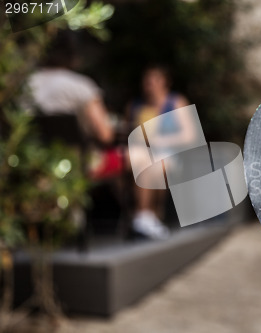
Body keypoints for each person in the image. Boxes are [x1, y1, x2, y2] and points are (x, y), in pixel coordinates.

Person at [128, 64, 196, 239]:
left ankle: (147, 215)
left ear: (165, 82)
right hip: (143, 153)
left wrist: (159, 140)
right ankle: (144, 217)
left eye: (154, 79)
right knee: (131, 162)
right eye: (147, 80)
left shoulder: (176, 102)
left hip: (171, 154)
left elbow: (190, 136)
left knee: (154, 165)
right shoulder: (136, 106)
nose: (149, 83)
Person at [26, 32, 114, 145]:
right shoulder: (81, 86)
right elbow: (105, 134)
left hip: (28, 155)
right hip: (71, 158)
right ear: (74, 55)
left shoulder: (23, 84)